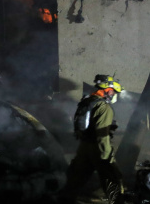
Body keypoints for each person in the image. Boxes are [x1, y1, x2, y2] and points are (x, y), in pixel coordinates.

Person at [60, 75, 124, 204]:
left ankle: (64, 199)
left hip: (84, 146)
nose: (115, 95)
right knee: (111, 177)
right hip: (98, 147)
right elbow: (102, 135)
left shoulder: (87, 102)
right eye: (115, 92)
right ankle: (118, 201)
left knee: (77, 176)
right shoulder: (104, 107)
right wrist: (106, 155)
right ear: (109, 90)